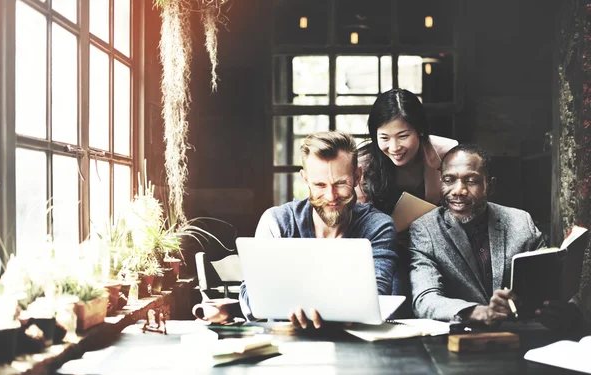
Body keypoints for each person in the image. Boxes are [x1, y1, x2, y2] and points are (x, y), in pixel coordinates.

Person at [409, 144, 588, 331]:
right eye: (449, 180)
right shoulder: (425, 230)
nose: (458, 190)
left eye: (471, 181)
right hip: (460, 342)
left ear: (490, 186)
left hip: (522, 337)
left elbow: (551, 280)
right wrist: (480, 312)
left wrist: (565, 309)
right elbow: (425, 299)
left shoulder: (520, 222)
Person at [240, 131, 399, 329]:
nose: (331, 196)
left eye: (340, 183)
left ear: (357, 177)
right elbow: (250, 298)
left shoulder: (378, 226)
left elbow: (377, 294)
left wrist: (293, 298)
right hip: (284, 344)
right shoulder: (277, 222)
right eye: (319, 185)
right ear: (305, 179)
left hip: (355, 344)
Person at [357, 88, 458, 315]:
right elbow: (358, 220)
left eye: (403, 136)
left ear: (420, 130)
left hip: (435, 246)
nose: (394, 148)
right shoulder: (362, 162)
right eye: (384, 138)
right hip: (382, 250)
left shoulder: (448, 153)